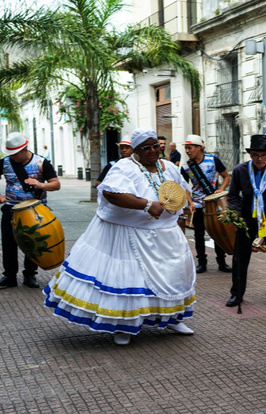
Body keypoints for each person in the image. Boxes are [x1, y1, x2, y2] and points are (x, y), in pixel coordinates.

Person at [43, 127, 196, 346]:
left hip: (167, 233)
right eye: (146, 147)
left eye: (155, 146)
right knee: (127, 278)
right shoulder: (125, 167)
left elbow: (181, 189)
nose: (153, 150)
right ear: (136, 150)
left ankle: (171, 318)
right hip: (129, 234)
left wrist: (187, 203)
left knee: (174, 275)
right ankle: (121, 325)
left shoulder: (169, 167)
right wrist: (146, 205)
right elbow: (110, 193)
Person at [225, 134, 266, 308]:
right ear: (250, 155)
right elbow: (233, 196)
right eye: (255, 155)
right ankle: (236, 294)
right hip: (247, 217)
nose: (259, 159)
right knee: (240, 257)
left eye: (264, 155)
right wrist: (236, 215)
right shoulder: (240, 170)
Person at [0, 132, 61, 289]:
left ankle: (29, 275)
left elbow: (56, 184)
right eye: (10, 154)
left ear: (24, 149)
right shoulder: (5, 162)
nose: (12, 157)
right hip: (10, 208)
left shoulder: (42, 162)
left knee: (34, 242)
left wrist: (40, 185)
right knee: (8, 243)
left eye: (15, 154)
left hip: (35, 210)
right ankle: (9, 276)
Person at [181, 134, 232, 273]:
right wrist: (190, 202)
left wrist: (220, 189)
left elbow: (226, 176)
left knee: (218, 232)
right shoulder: (186, 167)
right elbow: (184, 186)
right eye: (186, 148)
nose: (187, 151)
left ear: (199, 148)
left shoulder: (213, 160)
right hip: (197, 204)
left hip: (214, 204)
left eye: (190, 148)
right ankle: (201, 263)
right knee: (198, 235)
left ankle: (222, 262)